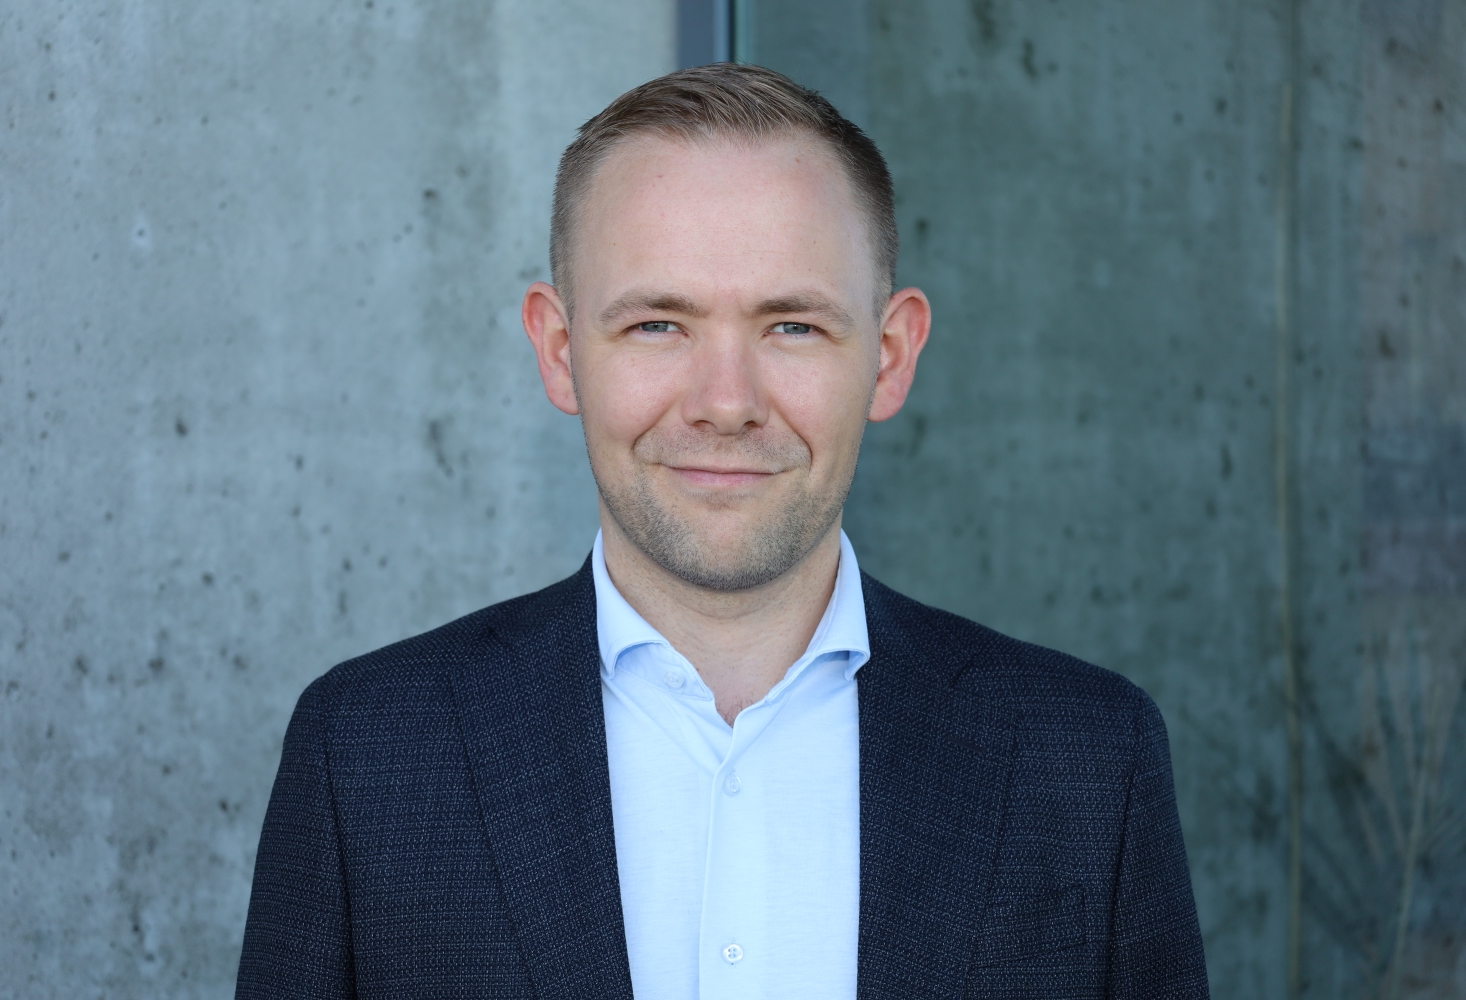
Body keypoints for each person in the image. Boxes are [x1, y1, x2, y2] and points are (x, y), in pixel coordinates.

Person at [236, 64, 1208, 999]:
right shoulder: (365, 756)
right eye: (659, 325)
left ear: (890, 356)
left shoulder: (1089, 763)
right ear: (561, 351)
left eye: (793, 326)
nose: (727, 402)